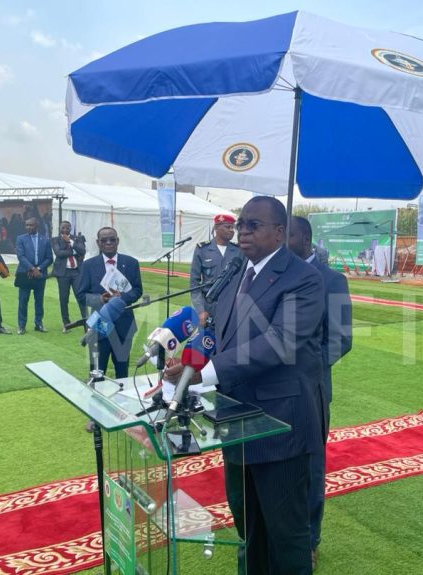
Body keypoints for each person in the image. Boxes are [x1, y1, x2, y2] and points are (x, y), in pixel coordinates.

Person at [166, 196, 325, 574]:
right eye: (240, 225)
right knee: (248, 531)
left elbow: (279, 342)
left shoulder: (303, 278)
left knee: (286, 537)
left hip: (280, 429)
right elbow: (223, 336)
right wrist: (191, 362)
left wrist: (206, 373)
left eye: (254, 225)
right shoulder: (237, 271)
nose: (243, 232)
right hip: (235, 424)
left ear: (279, 233)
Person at [288, 216, 353, 570]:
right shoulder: (276, 275)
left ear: (305, 239)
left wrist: (304, 367)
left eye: (288, 235)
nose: (281, 241)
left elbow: (341, 338)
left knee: (311, 468)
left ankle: (310, 540)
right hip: (271, 391)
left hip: (311, 390)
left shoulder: (333, 281)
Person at [76, 227, 143, 379]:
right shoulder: (88, 265)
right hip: (99, 324)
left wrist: (122, 298)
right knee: (97, 373)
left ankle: (123, 395)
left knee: (123, 374)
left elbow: (137, 290)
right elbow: (81, 295)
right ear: (98, 242)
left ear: (117, 241)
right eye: (104, 240)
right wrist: (100, 299)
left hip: (124, 324)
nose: (108, 243)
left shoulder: (131, 263)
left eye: (112, 239)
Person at [189, 213, 240, 327]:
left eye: (233, 227)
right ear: (216, 228)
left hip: (231, 309)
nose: (231, 230)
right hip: (209, 309)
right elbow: (194, 284)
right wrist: (200, 310)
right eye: (227, 227)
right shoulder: (202, 250)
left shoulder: (238, 251)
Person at [15, 217, 53, 334]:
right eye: (27, 225)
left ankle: (38, 324)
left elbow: (49, 258)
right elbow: (21, 256)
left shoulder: (45, 240)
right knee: (23, 300)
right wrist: (32, 269)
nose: (28, 227)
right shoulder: (21, 238)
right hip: (25, 273)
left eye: (31, 225)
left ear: (37, 226)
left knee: (39, 300)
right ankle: (21, 325)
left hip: (40, 274)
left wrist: (39, 269)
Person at [51, 221, 87, 333]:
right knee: (64, 299)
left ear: (70, 228)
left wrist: (71, 242)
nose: (65, 230)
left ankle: (87, 324)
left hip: (77, 272)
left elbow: (83, 250)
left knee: (81, 297)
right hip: (63, 273)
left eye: (67, 228)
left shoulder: (77, 239)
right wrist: (75, 252)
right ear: (59, 228)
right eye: (63, 228)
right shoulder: (55, 240)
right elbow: (59, 253)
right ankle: (66, 324)